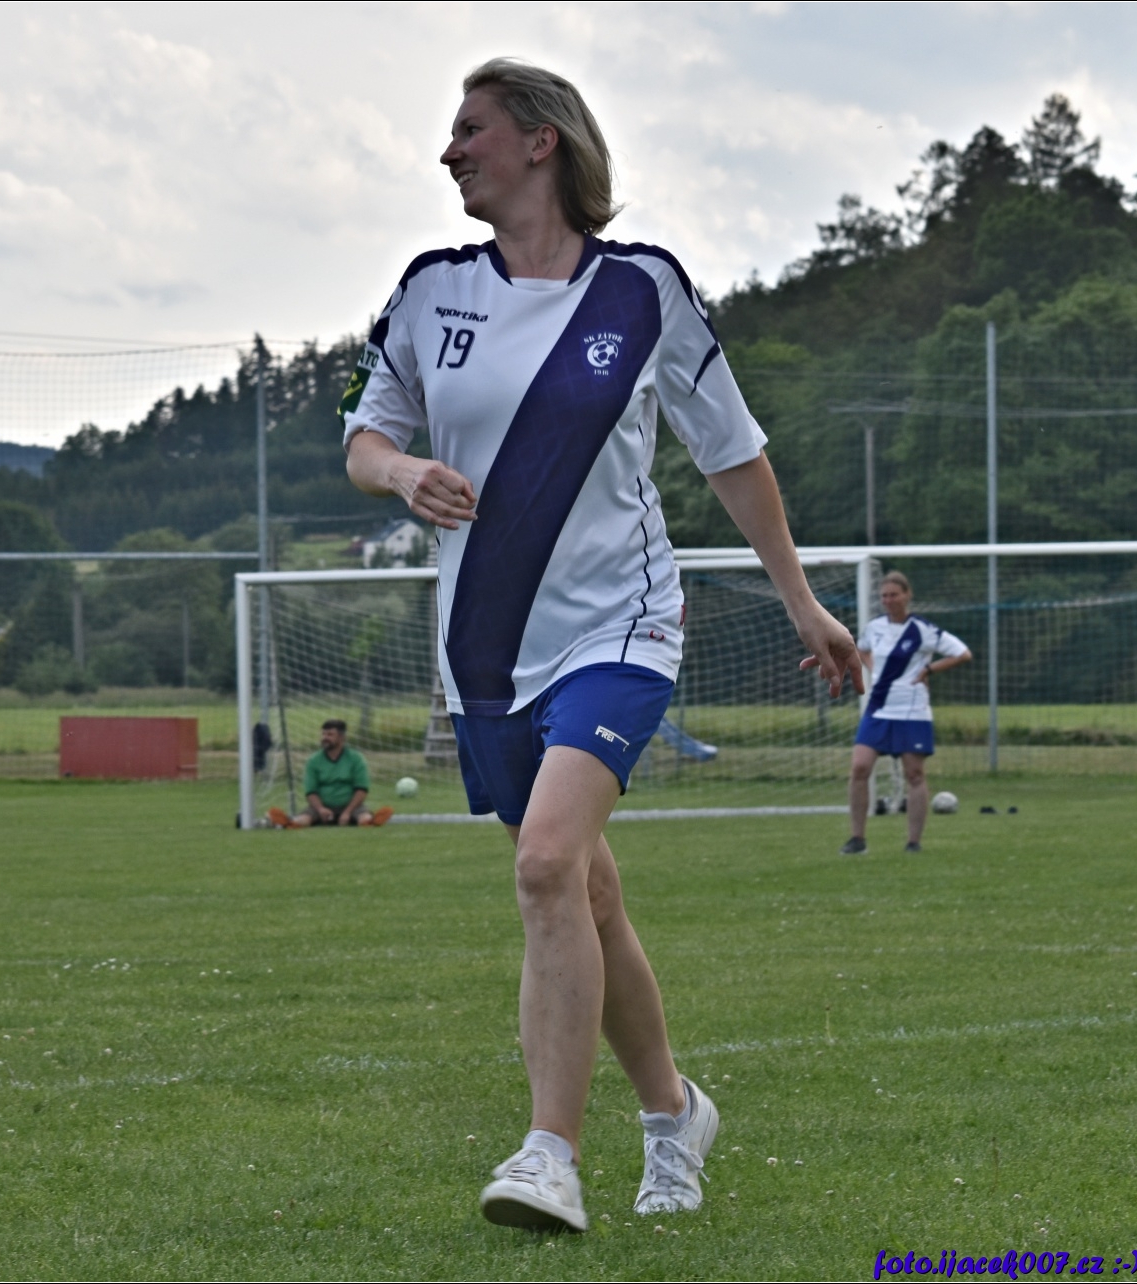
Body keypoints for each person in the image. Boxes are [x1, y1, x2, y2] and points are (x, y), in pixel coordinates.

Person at [339, 58, 861, 1232]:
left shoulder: (642, 291)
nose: (448, 151)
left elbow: (732, 453)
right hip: (483, 652)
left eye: (469, 129)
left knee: (543, 866)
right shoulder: (429, 291)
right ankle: (674, 1114)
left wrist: (801, 602)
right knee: (584, 890)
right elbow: (364, 437)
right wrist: (402, 472)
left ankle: (548, 1157)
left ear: (542, 140)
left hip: (621, 628)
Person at [841, 571, 971, 855]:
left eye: (894, 595)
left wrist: (928, 670)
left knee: (914, 774)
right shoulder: (874, 627)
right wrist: (872, 667)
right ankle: (857, 839)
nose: (889, 600)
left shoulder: (923, 629)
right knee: (860, 767)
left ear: (907, 595)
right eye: (884, 596)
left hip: (912, 711)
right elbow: (861, 649)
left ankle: (913, 843)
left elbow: (963, 653)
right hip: (878, 708)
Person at [267, 719, 395, 828]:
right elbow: (311, 792)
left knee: (364, 818)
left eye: (330, 734)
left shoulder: (356, 759)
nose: (325, 738)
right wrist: (321, 809)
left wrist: (347, 812)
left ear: (342, 738)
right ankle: (288, 823)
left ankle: (372, 822)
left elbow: (361, 789)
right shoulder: (313, 761)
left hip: (351, 806)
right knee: (303, 820)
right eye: (323, 734)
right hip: (321, 807)